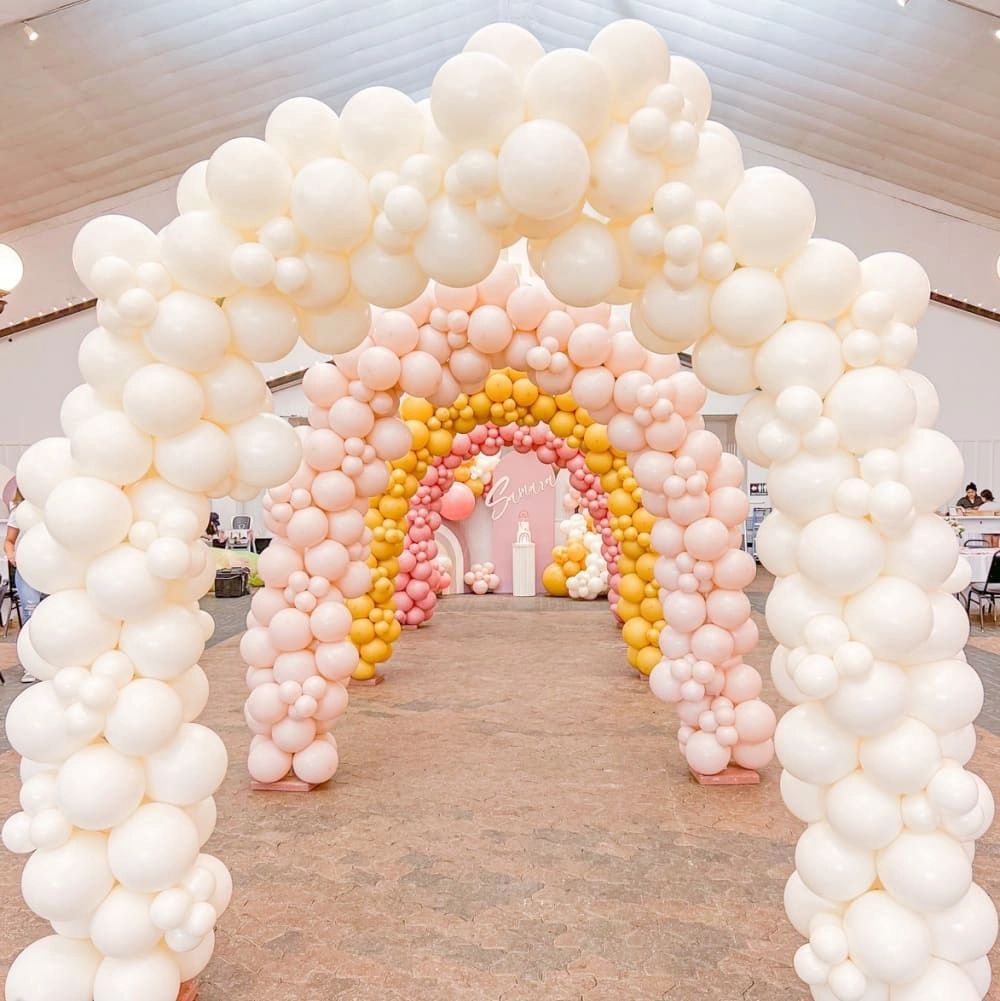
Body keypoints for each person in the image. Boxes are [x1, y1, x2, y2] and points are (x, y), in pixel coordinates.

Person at [3, 490, 42, 682]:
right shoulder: (19, 512)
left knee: (55, 615)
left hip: (56, 571)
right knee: (30, 617)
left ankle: (56, 663)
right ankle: (31, 666)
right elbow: (9, 541)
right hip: (27, 571)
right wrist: (11, 556)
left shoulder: (57, 507)